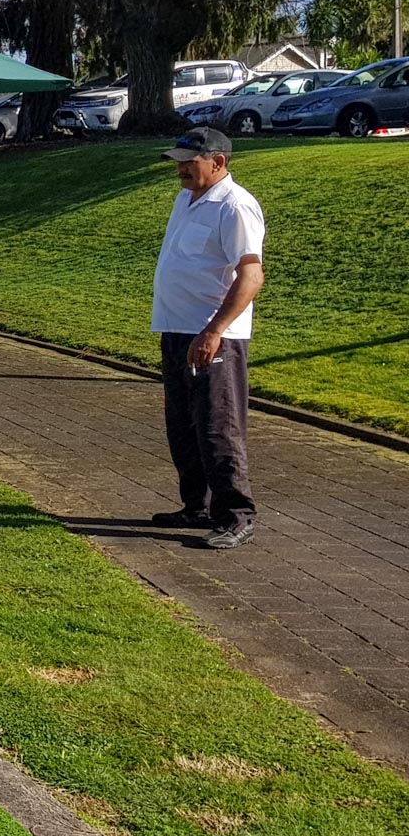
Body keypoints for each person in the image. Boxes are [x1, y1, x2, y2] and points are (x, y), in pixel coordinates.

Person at [150, 127, 264, 550]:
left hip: (214, 336)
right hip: (176, 328)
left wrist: (215, 329)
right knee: (182, 426)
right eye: (178, 160)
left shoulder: (235, 206)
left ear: (218, 162)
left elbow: (251, 276)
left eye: (189, 161)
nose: (180, 168)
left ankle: (236, 514)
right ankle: (195, 505)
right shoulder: (187, 198)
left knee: (219, 426)